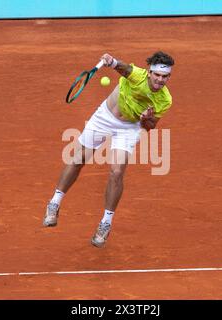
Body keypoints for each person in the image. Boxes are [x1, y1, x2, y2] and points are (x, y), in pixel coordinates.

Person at [43, 51, 175, 248]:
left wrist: (145, 119)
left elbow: (151, 126)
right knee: (79, 158)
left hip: (129, 128)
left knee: (116, 172)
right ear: (149, 73)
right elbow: (122, 67)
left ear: (168, 77)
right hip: (104, 118)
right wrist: (111, 61)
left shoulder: (165, 100)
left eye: (164, 76)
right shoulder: (137, 75)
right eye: (157, 74)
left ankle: (105, 223)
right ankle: (54, 202)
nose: (160, 79)